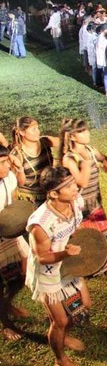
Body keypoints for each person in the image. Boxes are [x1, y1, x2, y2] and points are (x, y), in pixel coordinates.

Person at [26, 167, 91, 366]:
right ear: (53, 193)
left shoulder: (76, 202)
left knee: (83, 306)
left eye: (73, 183)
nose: (75, 188)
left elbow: (75, 228)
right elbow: (43, 257)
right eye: (69, 186)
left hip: (70, 267)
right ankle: (60, 359)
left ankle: (63, 335)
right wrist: (65, 253)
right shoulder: (41, 223)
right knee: (60, 320)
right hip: (49, 273)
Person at [59, 118, 107, 279]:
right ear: (72, 137)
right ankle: (88, 268)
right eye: (81, 131)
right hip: (79, 204)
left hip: (95, 199)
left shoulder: (90, 150)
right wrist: (87, 163)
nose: (87, 133)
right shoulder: (69, 158)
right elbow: (81, 181)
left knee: (104, 232)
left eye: (86, 129)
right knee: (86, 237)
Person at [0, 145, 29, 341]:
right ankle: (6, 324)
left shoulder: (8, 176)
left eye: (6, 160)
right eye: (2, 163)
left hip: (8, 231)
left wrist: (19, 169)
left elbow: (18, 186)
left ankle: (8, 301)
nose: (7, 165)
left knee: (25, 264)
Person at [10, 117, 59, 207]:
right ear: (22, 132)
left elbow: (63, 142)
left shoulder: (45, 141)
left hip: (49, 192)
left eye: (38, 128)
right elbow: (20, 183)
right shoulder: (17, 154)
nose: (38, 131)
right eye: (34, 129)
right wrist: (20, 169)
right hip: (31, 200)